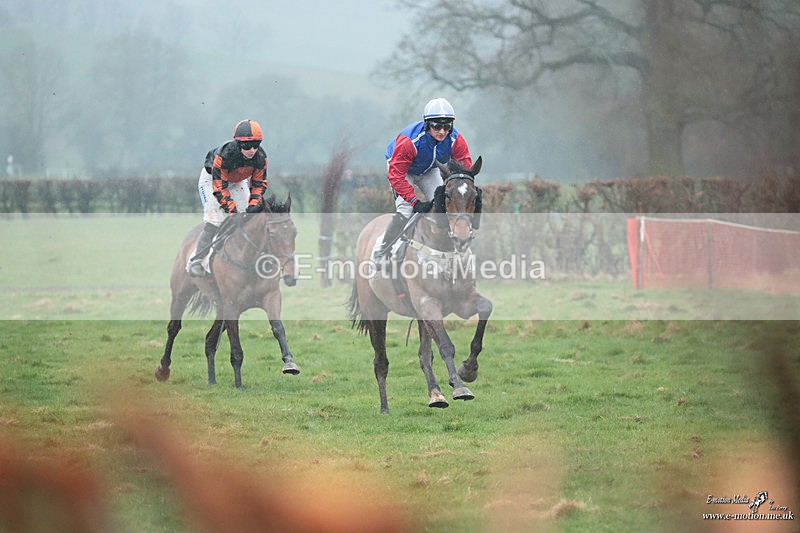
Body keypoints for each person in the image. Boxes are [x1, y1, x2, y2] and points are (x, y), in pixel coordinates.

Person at [374, 97, 473, 262]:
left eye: (447, 126)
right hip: (402, 171)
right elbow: (396, 176)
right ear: (427, 125)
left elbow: (465, 169)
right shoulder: (409, 141)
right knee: (406, 210)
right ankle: (383, 251)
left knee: (442, 205)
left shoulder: (456, 140)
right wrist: (415, 202)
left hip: (429, 169)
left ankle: (451, 248)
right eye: (436, 126)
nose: (442, 131)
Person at [186, 119, 268, 277]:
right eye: (247, 146)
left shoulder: (261, 157)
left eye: (256, 144)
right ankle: (196, 260)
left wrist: (253, 205)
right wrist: (233, 212)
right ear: (238, 143)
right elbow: (219, 188)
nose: (252, 150)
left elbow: (258, 184)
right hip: (212, 181)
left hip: (237, 181)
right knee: (215, 219)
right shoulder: (225, 155)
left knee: (248, 218)